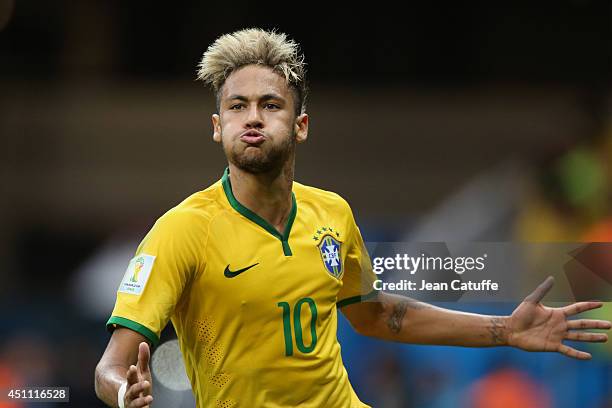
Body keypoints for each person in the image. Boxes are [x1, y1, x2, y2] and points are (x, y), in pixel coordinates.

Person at [94, 28, 611, 408]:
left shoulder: (332, 213)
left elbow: (379, 315)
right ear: (216, 126)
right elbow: (112, 365)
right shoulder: (183, 229)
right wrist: (123, 392)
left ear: (299, 126)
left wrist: (505, 328)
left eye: (270, 104)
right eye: (237, 106)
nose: (252, 117)